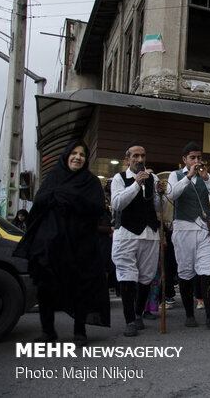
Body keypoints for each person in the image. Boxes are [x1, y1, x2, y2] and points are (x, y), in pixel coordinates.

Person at [14, 140, 110, 346]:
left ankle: (79, 331)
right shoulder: (54, 177)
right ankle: (48, 331)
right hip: (50, 245)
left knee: (80, 287)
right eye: (74, 153)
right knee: (45, 287)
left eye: (82, 155)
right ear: (67, 155)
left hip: (80, 245)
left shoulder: (90, 182)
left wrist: (69, 198)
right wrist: (56, 196)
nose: (78, 157)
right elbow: (39, 204)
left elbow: (96, 208)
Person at [167, 142, 210, 328]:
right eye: (192, 158)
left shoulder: (205, 177)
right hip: (183, 229)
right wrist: (189, 176)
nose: (196, 161)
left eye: (199, 158)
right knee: (186, 272)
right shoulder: (175, 175)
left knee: (209, 269)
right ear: (184, 159)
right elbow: (172, 194)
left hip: (203, 229)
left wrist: (207, 178)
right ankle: (189, 315)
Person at [110, 140, 166, 336]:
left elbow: (160, 208)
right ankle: (129, 320)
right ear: (128, 159)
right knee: (127, 275)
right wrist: (136, 184)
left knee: (146, 277)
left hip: (149, 233)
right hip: (126, 233)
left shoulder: (152, 178)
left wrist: (160, 194)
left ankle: (138, 312)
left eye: (142, 156)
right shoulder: (119, 178)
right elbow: (118, 203)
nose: (140, 159)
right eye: (135, 156)